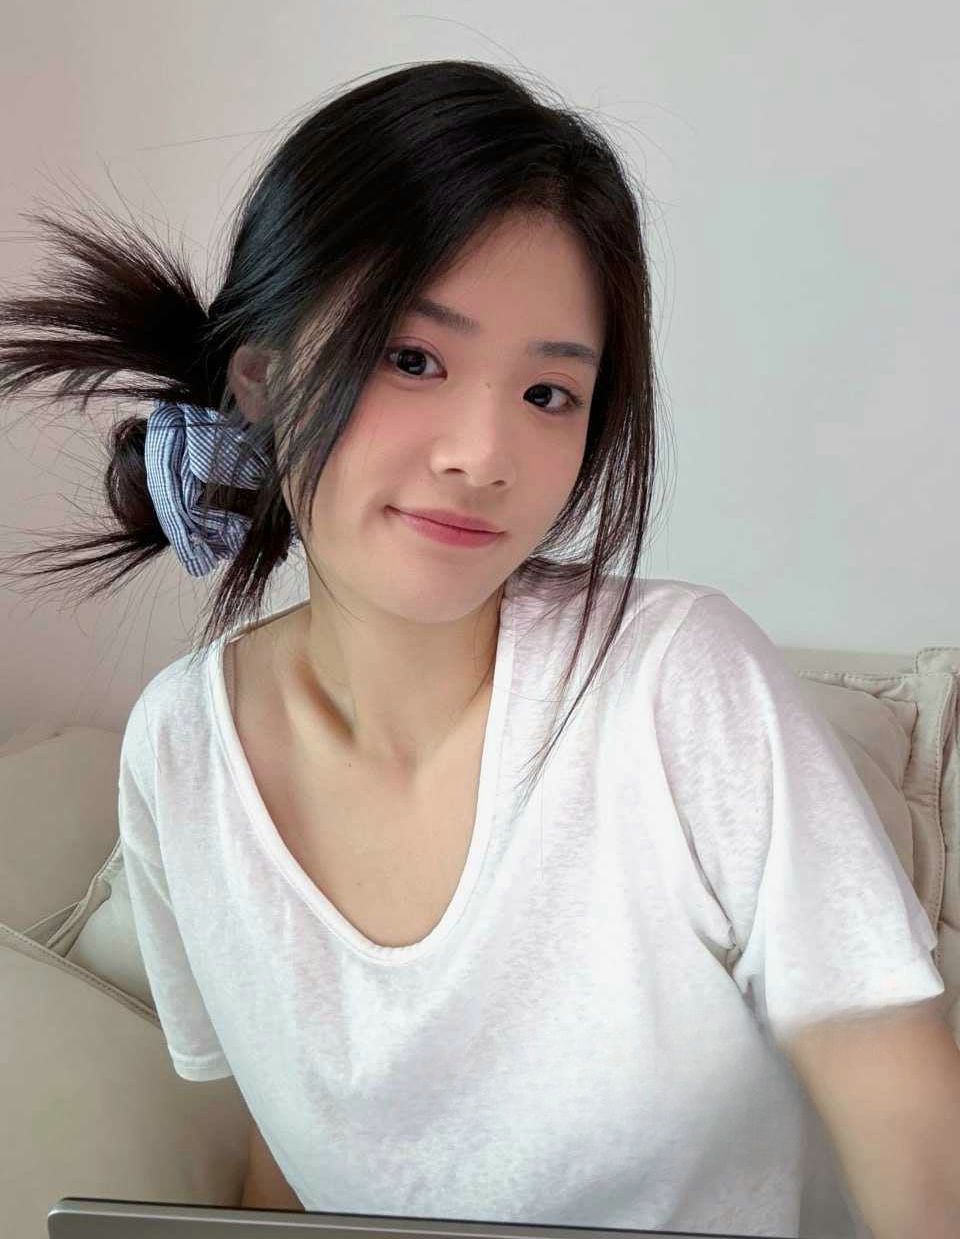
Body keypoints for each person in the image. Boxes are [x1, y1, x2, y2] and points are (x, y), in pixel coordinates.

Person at [0, 60, 946, 1239]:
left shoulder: (678, 684)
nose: (484, 453)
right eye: (413, 358)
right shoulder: (178, 748)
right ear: (263, 381)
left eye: (550, 392)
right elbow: (287, 1158)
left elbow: (905, 1111)